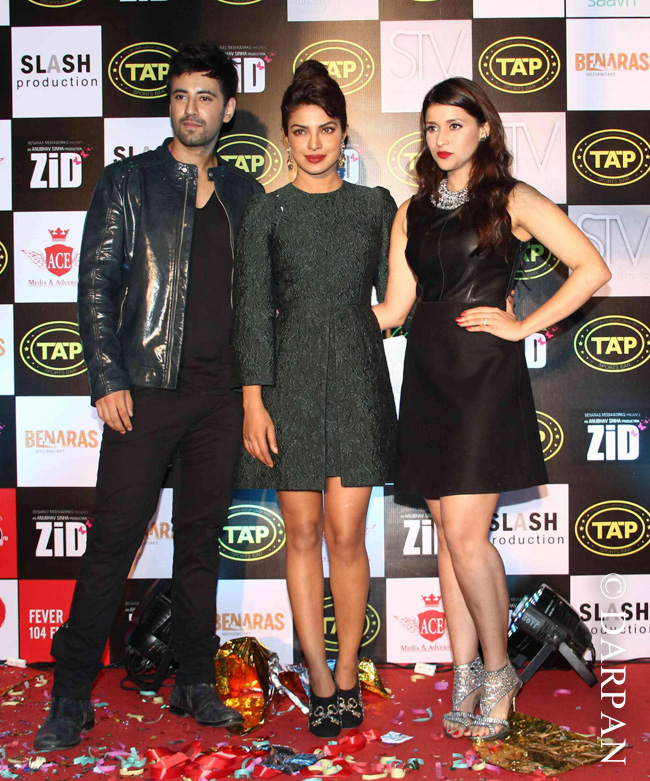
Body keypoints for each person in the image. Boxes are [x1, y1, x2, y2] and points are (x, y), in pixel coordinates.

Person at [33, 42, 264, 751]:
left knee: (198, 545)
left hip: (219, 398)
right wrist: (107, 378)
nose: (191, 109)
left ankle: (195, 679)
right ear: (171, 103)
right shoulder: (127, 181)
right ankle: (70, 693)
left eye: (206, 97)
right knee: (112, 542)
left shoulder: (246, 194)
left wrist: (253, 391)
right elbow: (96, 283)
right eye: (180, 95)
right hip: (145, 393)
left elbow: (259, 302)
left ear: (228, 109)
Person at [373, 77, 610, 741]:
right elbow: (395, 308)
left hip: (482, 377)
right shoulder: (411, 210)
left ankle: (500, 672)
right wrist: (320, 316)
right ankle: (465, 671)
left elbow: (591, 268)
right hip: (426, 374)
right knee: (448, 534)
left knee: (467, 535)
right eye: (431, 127)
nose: (441, 138)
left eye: (455, 124)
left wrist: (523, 326)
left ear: (483, 128)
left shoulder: (510, 198)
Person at [232, 61, 397, 738]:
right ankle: (319, 677)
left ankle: (349, 668)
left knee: (346, 535)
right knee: (301, 534)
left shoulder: (375, 206)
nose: (314, 143)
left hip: (356, 380)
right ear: (285, 138)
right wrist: (253, 401)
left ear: (343, 132)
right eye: (301, 131)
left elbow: (401, 298)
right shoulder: (266, 211)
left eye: (326, 129)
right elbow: (250, 311)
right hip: (288, 384)